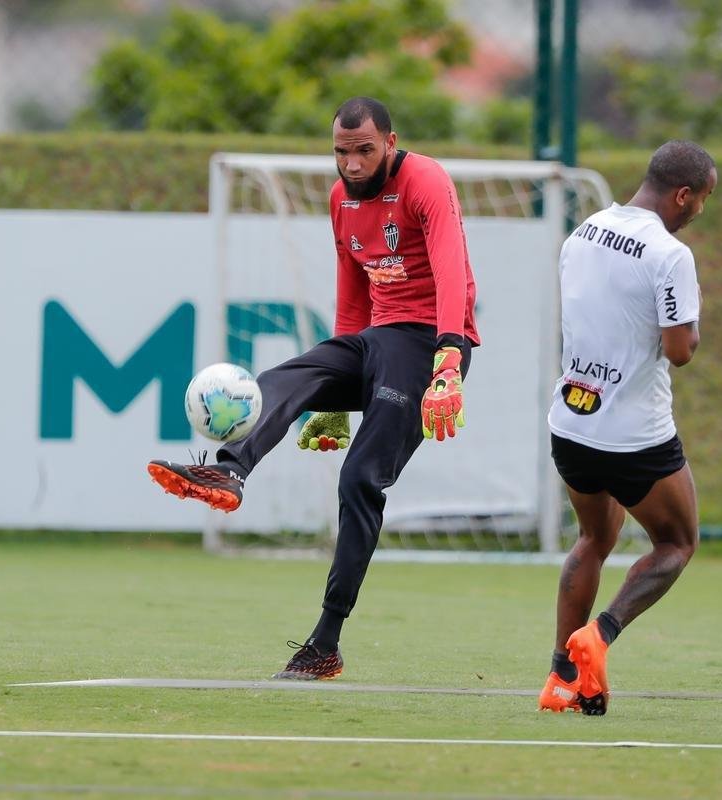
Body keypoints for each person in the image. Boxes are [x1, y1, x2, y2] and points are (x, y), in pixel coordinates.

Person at [148, 97, 480, 680]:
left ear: (390, 142)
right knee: (281, 379)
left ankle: (325, 643)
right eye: (341, 152)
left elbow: (452, 266)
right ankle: (230, 470)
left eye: (364, 151)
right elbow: (352, 290)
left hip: (427, 345)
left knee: (359, 480)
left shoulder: (425, 180)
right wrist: (334, 398)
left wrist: (449, 356)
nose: (352, 164)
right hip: (372, 342)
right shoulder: (339, 199)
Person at [537, 140, 716, 715]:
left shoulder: (583, 232)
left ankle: (560, 678)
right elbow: (680, 350)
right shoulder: (670, 254)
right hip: (635, 437)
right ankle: (599, 635)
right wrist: (693, 315)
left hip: (572, 424)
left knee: (593, 539)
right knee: (677, 542)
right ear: (682, 194)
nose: (700, 211)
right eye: (702, 200)